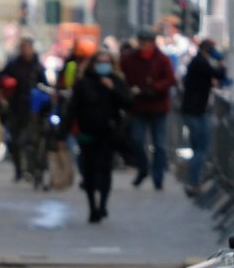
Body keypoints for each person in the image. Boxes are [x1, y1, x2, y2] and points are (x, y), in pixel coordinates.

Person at [65, 49, 130, 223]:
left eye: (106, 62)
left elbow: (128, 102)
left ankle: (102, 205)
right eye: (100, 62)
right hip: (87, 134)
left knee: (105, 171)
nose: (103, 65)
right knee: (89, 172)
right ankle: (92, 206)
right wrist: (61, 134)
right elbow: (73, 109)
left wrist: (113, 88)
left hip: (108, 134)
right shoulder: (83, 83)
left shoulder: (116, 81)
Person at [119, 30, 177, 190]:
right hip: (138, 107)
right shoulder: (130, 59)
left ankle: (158, 177)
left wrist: (155, 87)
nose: (143, 44)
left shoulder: (162, 59)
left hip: (158, 107)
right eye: (141, 41)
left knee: (160, 145)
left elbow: (171, 79)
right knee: (137, 140)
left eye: (146, 41)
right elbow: (120, 75)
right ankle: (143, 168)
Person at [180, 39, 228, 197]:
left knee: (198, 149)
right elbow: (219, 74)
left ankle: (193, 180)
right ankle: (193, 182)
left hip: (194, 111)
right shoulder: (200, 62)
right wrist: (220, 61)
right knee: (201, 149)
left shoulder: (198, 62)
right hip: (195, 112)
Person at [0, 38, 47, 181]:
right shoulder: (13, 65)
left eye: (28, 48)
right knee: (14, 142)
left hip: (32, 110)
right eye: (23, 48)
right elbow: (1, 78)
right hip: (15, 108)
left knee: (28, 141)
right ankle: (18, 170)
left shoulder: (38, 66)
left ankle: (30, 169)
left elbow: (44, 85)